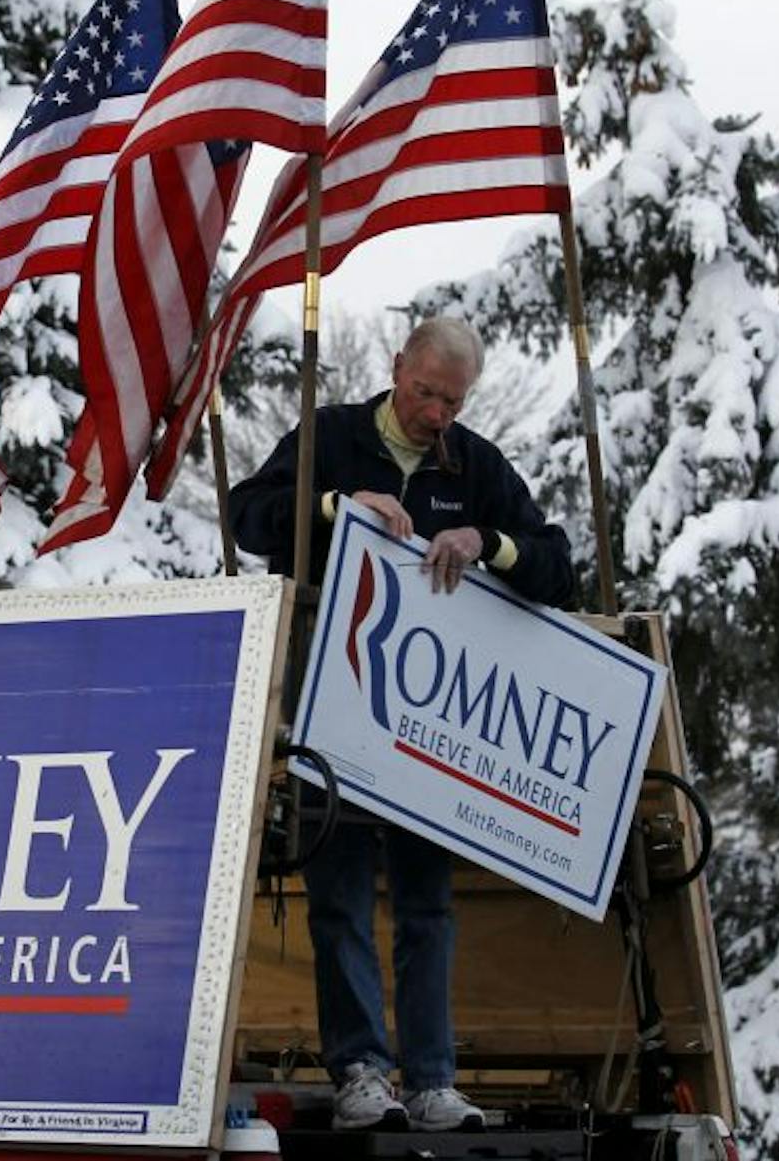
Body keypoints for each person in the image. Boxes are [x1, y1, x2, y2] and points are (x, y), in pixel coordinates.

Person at [228, 315, 575, 1132]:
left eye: (452, 401)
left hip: (429, 734)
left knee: (427, 907)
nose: (436, 414)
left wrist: (487, 541)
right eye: (425, 393)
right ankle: (359, 1072)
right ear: (395, 370)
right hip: (330, 715)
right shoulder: (330, 434)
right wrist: (333, 504)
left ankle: (431, 1080)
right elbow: (250, 517)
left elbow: (557, 565)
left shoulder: (477, 463)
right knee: (340, 901)